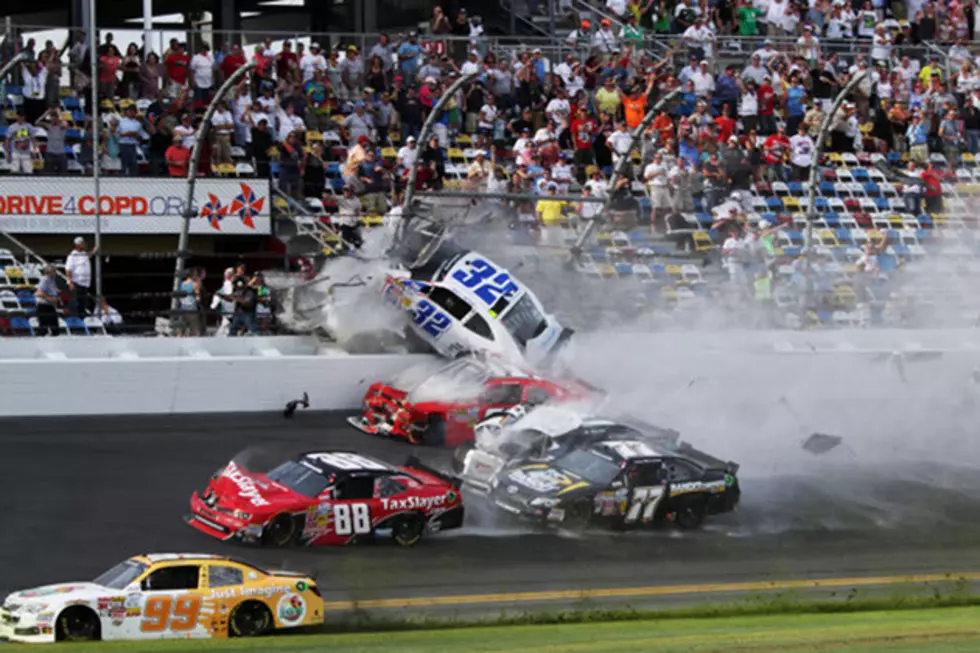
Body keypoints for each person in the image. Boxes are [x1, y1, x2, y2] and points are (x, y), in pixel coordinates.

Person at [65, 236, 97, 317]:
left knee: (83, 304)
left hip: (84, 284)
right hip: (77, 283)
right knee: (76, 304)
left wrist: (94, 251)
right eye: (83, 243)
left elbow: (88, 256)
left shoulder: (83, 254)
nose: (85, 245)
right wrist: (70, 282)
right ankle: (74, 321)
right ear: (78, 245)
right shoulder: (72, 255)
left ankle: (81, 319)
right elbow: (68, 270)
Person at [34, 265, 61, 336]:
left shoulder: (53, 280)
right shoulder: (45, 280)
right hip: (43, 306)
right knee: (43, 329)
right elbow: (38, 293)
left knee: (55, 329)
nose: (56, 273)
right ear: (49, 272)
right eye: (54, 271)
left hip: (51, 306)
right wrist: (49, 298)